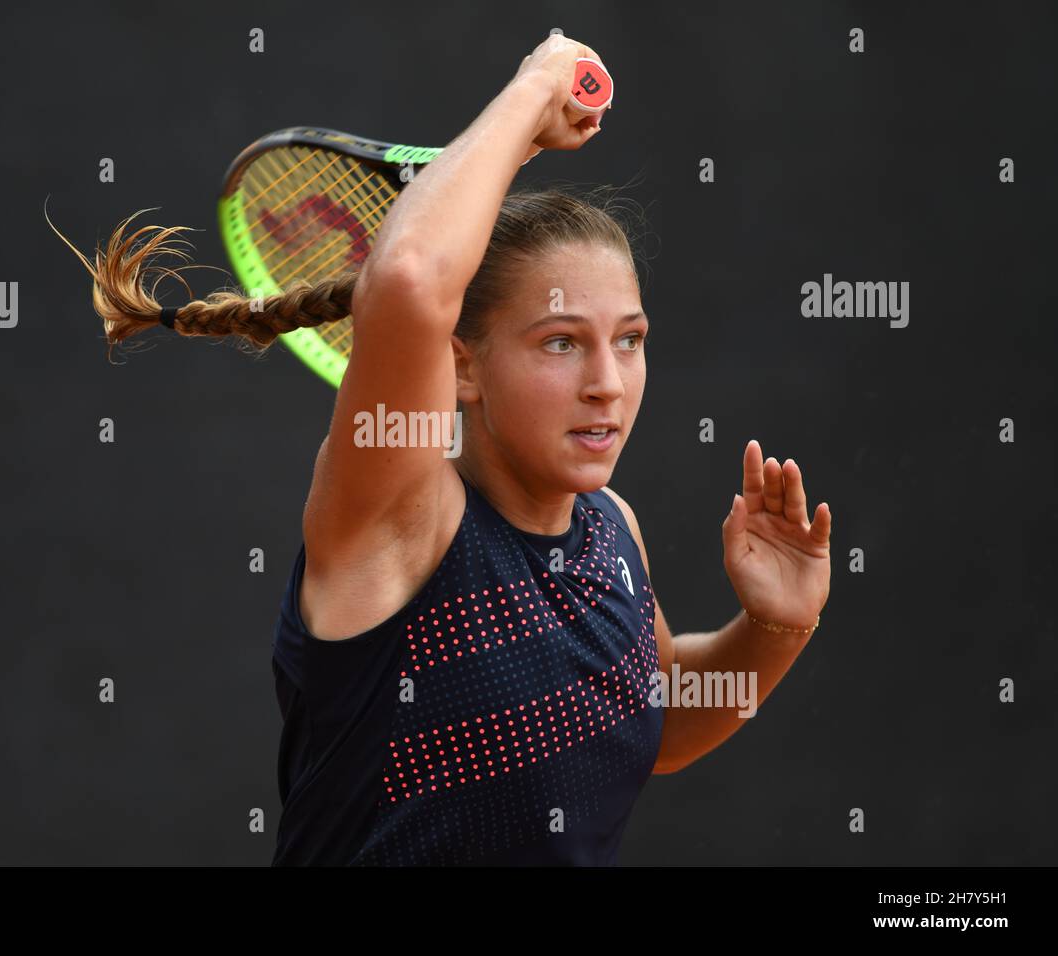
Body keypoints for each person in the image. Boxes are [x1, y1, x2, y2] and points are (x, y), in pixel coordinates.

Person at [52, 33, 833, 866]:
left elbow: (651, 720)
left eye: (630, 340)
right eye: (562, 343)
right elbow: (411, 281)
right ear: (461, 363)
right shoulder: (397, 522)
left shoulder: (612, 531)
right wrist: (533, 90)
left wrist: (773, 629)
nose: (608, 381)